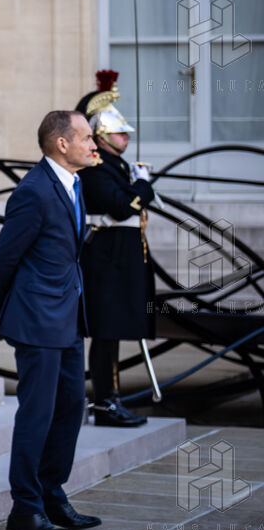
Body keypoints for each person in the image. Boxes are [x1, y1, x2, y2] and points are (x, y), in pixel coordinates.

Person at [0, 110, 103, 530]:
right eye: (86, 137)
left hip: (67, 315)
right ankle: (26, 509)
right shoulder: (33, 191)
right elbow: (4, 254)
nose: (94, 144)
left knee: (71, 406)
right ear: (61, 144)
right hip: (36, 318)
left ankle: (52, 495)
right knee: (37, 414)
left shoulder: (73, 183)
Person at [75, 70, 154, 427]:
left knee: (115, 330)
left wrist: (137, 185)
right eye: (119, 132)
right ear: (102, 134)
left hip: (121, 258)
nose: (126, 137)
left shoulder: (116, 165)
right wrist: (143, 188)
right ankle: (105, 403)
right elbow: (122, 207)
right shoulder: (95, 168)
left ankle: (111, 400)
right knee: (106, 332)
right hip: (107, 259)